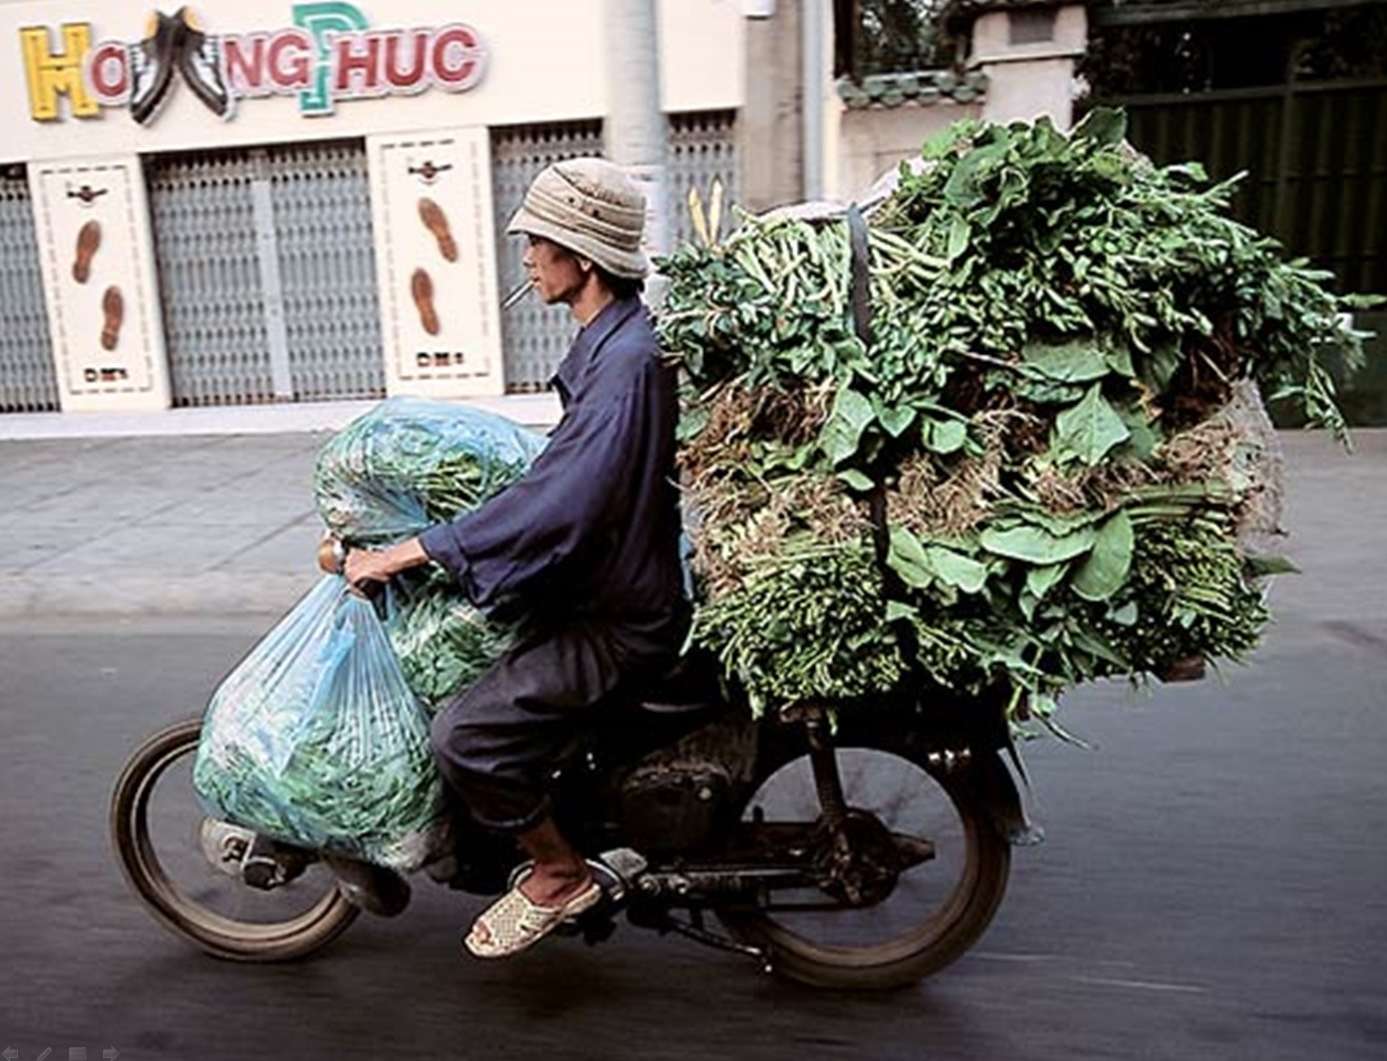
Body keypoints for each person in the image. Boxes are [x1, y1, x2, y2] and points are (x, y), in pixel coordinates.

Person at [340, 158, 688, 958]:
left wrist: (415, 550)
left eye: (537, 243)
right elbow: (564, 479)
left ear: (583, 257)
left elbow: (562, 502)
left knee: (465, 732)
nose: (526, 258)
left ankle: (561, 869)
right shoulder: (616, 347)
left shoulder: (627, 362)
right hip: (606, 586)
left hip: (618, 617)